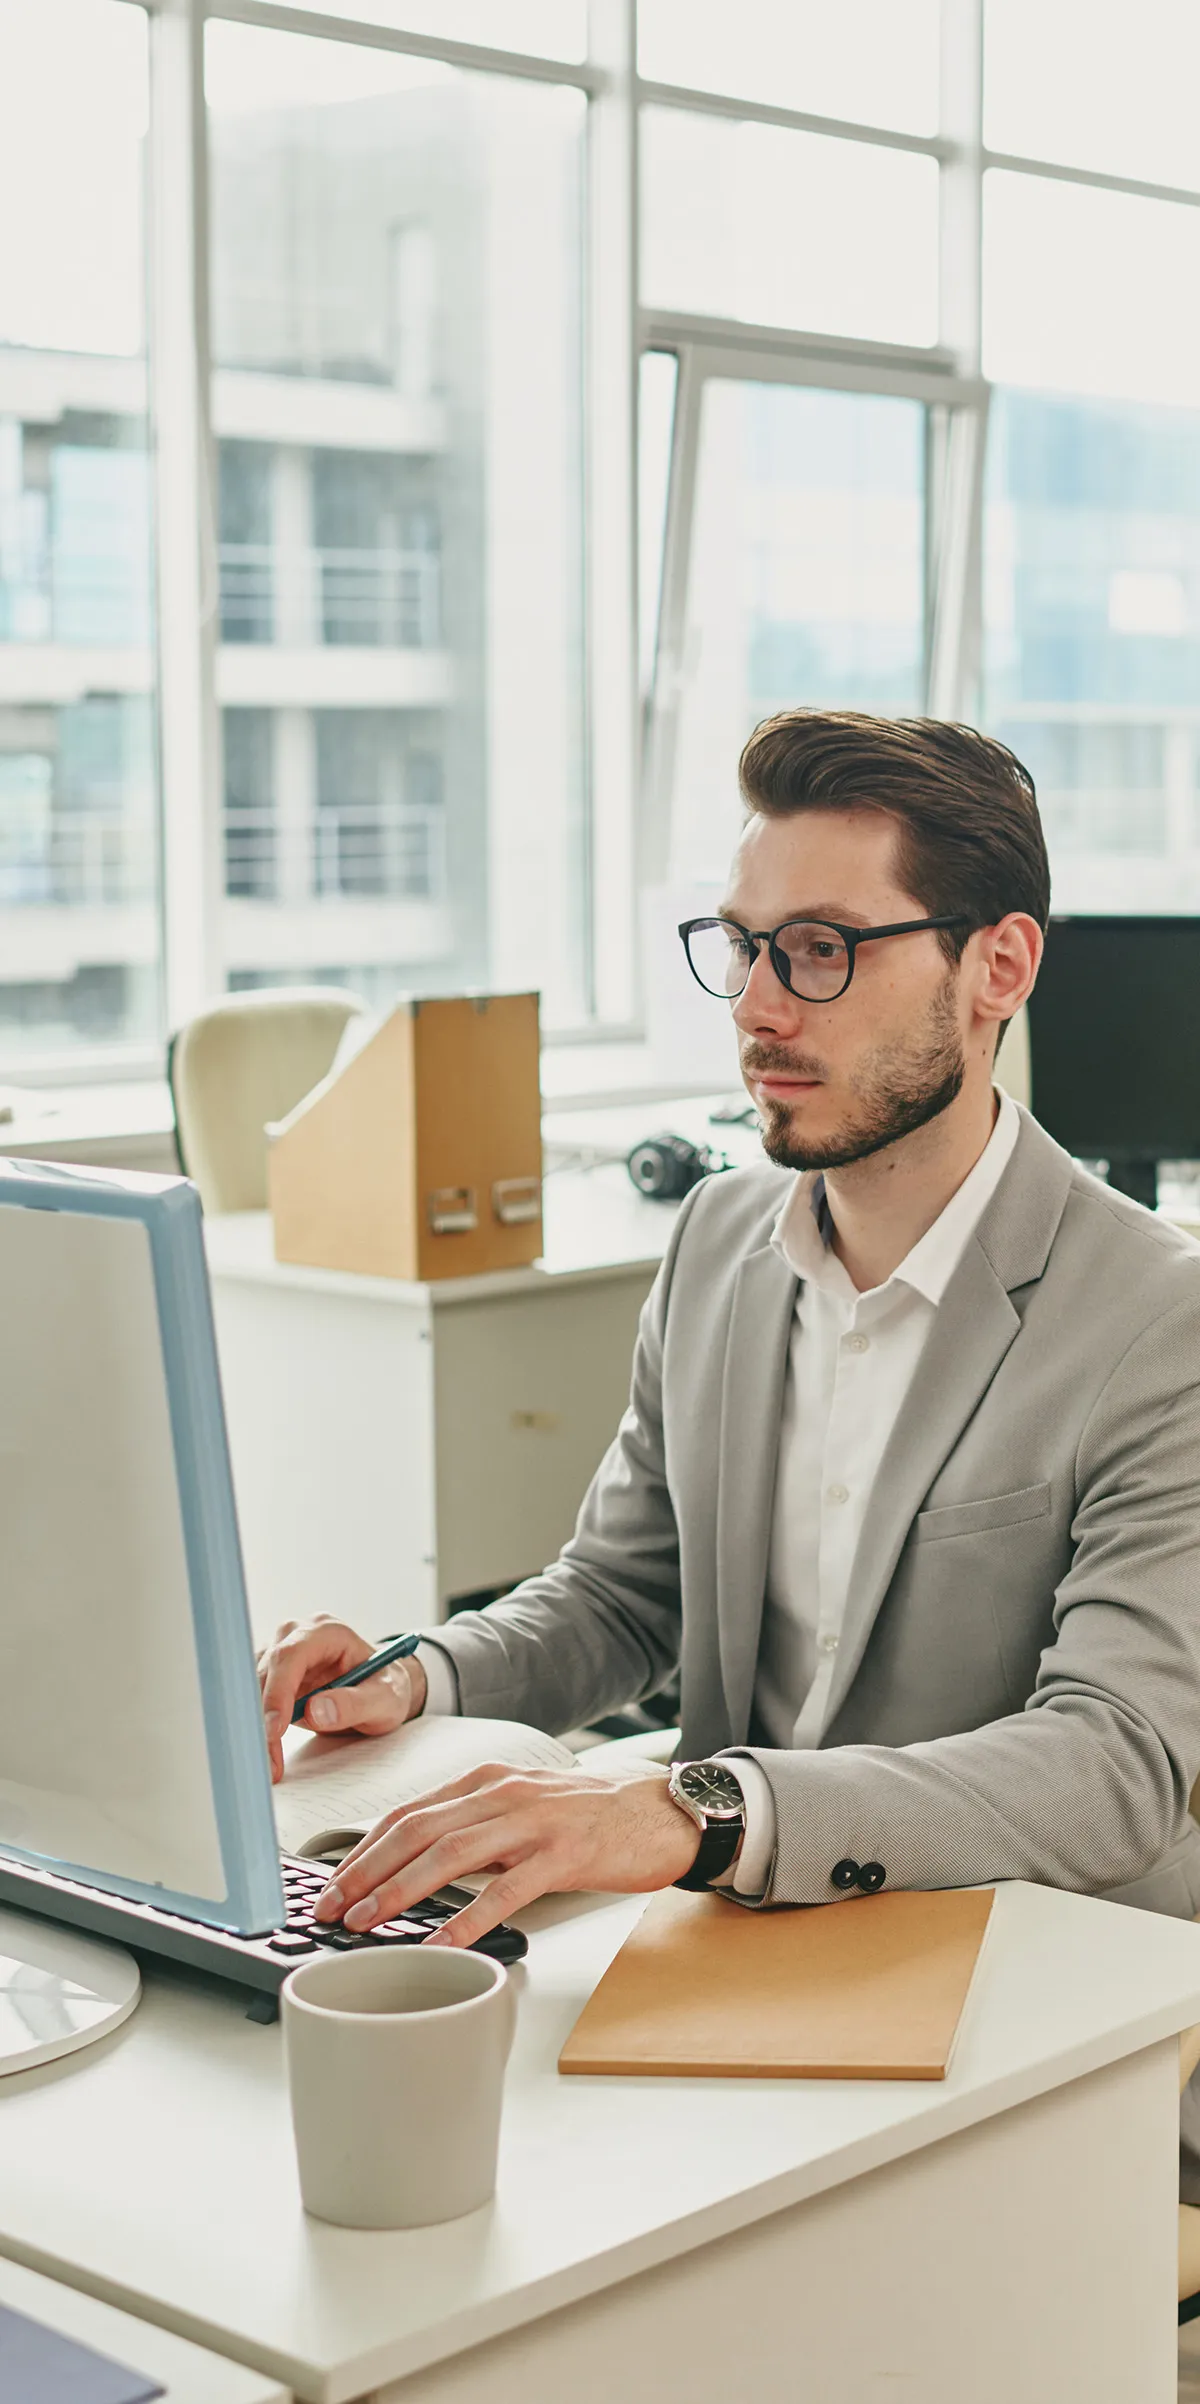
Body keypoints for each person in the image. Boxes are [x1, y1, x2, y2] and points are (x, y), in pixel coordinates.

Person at [258, 708, 1200, 2217]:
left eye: (822, 949)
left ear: (998, 970)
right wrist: (413, 1674)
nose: (759, 1007)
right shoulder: (717, 1242)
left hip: (1038, 1996)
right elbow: (622, 1597)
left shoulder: (1158, 1318)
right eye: (743, 945)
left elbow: (1115, 1769)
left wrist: (692, 1811)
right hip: (745, 1970)